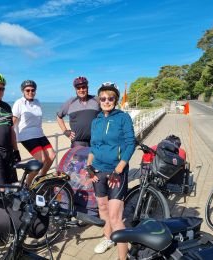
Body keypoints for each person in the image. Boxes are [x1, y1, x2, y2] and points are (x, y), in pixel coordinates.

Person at [86, 82, 135, 260]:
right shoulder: (96, 121)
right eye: (103, 98)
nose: (107, 101)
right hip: (97, 170)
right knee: (102, 209)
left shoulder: (123, 118)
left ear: (115, 99)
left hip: (116, 172)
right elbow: (93, 147)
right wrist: (88, 166)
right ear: (99, 100)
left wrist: (119, 169)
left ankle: (124, 257)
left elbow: (131, 144)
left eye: (111, 98)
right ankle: (108, 238)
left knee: (115, 217)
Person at [12, 80, 56, 186]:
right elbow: (12, 122)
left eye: (33, 90)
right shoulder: (19, 103)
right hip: (26, 136)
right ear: (23, 91)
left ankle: (41, 179)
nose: (30, 92)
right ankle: (27, 184)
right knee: (41, 160)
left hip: (39, 133)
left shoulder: (37, 102)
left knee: (52, 155)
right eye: (27, 90)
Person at [57, 76, 100, 148]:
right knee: (78, 160)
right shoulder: (70, 102)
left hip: (95, 141)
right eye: (78, 88)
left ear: (87, 87)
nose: (81, 90)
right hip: (78, 142)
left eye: (84, 87)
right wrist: (65, 131)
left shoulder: (96, 100)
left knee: (95, 159)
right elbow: (59, 116)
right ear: (75, 89)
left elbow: (106, 113)